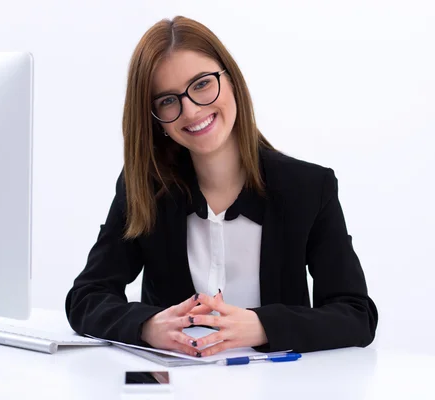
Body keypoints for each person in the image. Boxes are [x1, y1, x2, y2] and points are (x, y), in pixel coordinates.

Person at [65, 15, 378, 358]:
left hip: (282, 388)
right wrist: (148, 325)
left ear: (232, 81)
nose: (191, 110)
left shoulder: (308, 188)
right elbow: (86, 298)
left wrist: (260, 326)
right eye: (168, 100)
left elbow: (356, 315)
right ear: (154, 120)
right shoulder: (145, 188)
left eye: (201, 84)